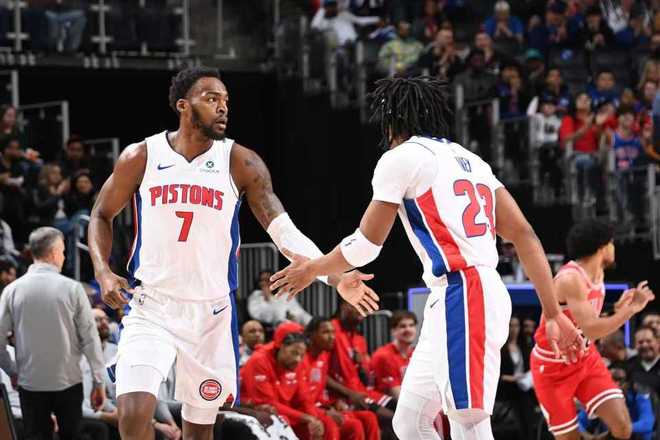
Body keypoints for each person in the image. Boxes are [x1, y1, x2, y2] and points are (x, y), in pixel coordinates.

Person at [269, 76, 582, 440]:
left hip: (465, 291)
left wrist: (314, 269)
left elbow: (366, 245)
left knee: (467, 418)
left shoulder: (401, 157)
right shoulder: (472, 160)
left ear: (392, 120)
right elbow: (524, 234)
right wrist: (552, 312)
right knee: (410, 421)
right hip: (462, 294)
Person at [87, 66, 379, 440]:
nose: (223, 107)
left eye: (226, 100)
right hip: (152, 305)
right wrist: (103, 271)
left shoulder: (241, 161)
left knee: (200, 431)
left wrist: (334, 277)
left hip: (211, 314)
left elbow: (282, 230)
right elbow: (101, 214)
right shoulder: (141, 155)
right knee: (132, 414)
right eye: (212, 99)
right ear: (183, 105)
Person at [530, 220, 654, 439]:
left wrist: (616, 310)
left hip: (585, 358)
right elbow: (593, 330)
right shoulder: (571, 279)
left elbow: (585, 321)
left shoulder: (597, 274)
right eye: (612, 243)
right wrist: (631, 310)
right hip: (553, 367)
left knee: (623, 427)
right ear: (602, 247)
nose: (614, 247)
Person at [0, 226, 106, 439]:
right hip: (68, 382)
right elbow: (90, 339)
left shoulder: (12, 291)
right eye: (63, 251)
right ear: (54, 253)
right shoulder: (73, 288)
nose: (64, 257)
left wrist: (12, 371)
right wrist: (98, 382)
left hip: (30, 384)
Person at [241, 322, 331, 440]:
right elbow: (268, 403)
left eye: (301, 355)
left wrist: (314, 420)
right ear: (281, 346)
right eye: (294, 353)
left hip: (282, 410)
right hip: (252, 410)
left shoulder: (294, 361)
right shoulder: (259, 360)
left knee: (326, 423)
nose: (298, 359)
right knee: (281, 421)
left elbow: (304, 399)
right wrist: (307, 418)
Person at [302, 317, 380, 440]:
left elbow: (319, 392)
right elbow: (301, 399)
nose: (332, 337)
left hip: (322, 407)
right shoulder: (301, 359)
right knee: (352, 425)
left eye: (333, 332)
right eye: (326, 332)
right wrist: (325, 411)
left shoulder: (323, 357)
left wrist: (333, 403)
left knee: (369, 417)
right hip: (308, 411)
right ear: (311, 335)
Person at [578, 364, 655, 440]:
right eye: (609, 379)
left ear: (627, 384)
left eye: (619, 380)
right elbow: (578, 421)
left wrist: (620, 428)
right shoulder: (599, 396)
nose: (614, 384)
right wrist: (588, 436)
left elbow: (647, 424)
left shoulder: (639, 394)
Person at [370, 310, 417, 399]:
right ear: (393, 331)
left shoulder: (416, 354)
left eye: (411, 325)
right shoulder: (383, 356)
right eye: (403, 326)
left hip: (407, 400)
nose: (408, 329)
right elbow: (397, 395)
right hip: (384, 403)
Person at [248, 269, 312, 326]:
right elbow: (270, 317)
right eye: (263, 280)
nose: (267, 283)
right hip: (274, 328)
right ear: (259, 282)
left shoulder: (284, 294)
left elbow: (300, 313)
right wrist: (268, 297)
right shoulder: (255, 296)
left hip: (295, 325)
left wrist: (312, 323)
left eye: (269, 280)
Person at [626, 326, 660, 395]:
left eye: (649, 341)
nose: (644, 345)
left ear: (658, 342)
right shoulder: (628, 366)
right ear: (635, 345)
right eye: (640, 342)